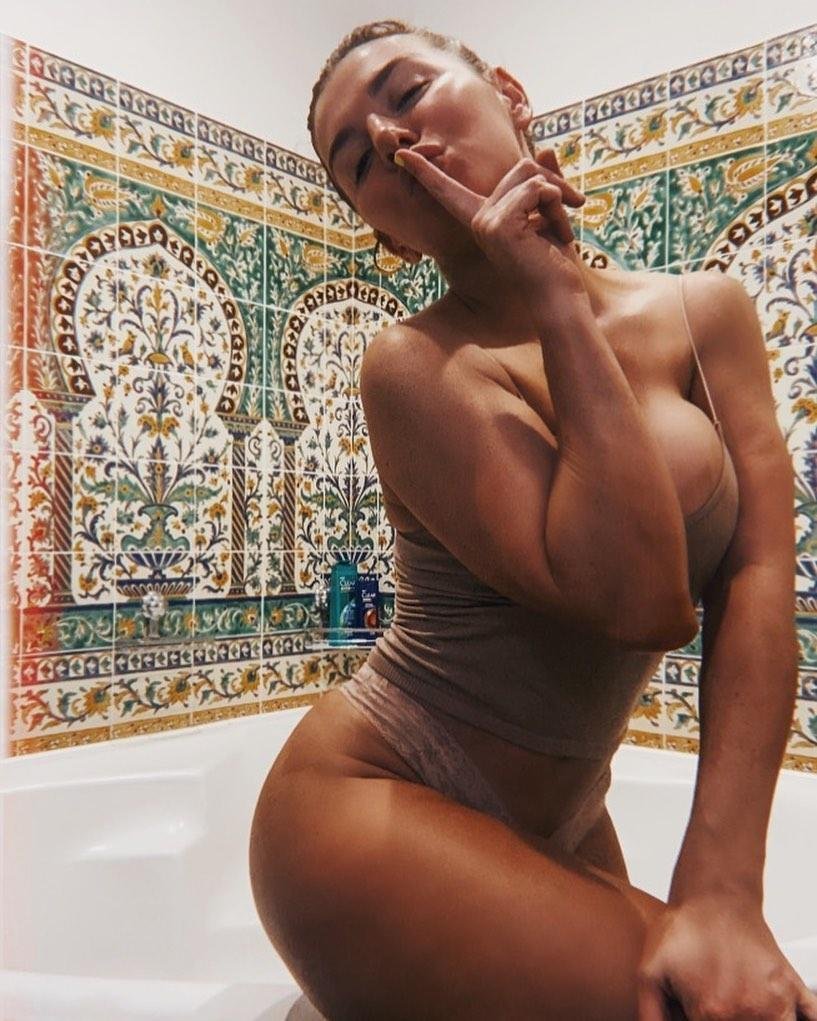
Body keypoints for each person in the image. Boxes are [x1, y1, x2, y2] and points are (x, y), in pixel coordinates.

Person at [249, 19, 816, 1021]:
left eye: (407, 92)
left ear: (507, 93)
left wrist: (724, 884)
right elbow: (636, 602)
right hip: (371, 800)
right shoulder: (411, 367)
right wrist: (551, 294)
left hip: (565, 813)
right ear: (386, 235)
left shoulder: (705, 313)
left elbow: (758, 573)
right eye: (356, 160)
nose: (389, 139)